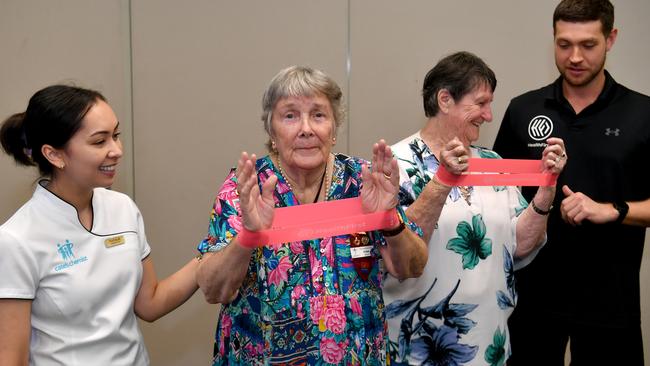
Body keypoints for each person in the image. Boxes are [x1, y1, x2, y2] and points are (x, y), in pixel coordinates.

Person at [195, 65, 428, 365]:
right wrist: (249, 235)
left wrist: (388, 220)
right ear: (271, 130)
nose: (306, 128)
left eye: (318, 115)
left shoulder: (362, 180)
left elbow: (412, 266)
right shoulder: (247, 187)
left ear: (333, 129)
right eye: (290, 115)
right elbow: (214, 289)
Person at [382, 51, 567, 366]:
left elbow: (521, 244)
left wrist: (547, 185)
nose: (489, 115)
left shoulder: (493, 164)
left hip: (489, 343)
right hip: (420, 346)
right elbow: (394, 255)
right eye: (480, 103)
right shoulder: (395, 165)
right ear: (445, 100)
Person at [494, 1, 650, 364]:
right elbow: (497, 199)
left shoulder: (643, 114)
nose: (575, 57)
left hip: (611, 305)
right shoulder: (523, 110)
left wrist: (612, 210)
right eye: (564, 44)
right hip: (531, 301)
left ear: (610, 39)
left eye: (588, 45)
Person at [0, 85, 200, 365]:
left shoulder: (122, 208)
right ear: (54, 155)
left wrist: (215, 255)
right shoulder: (17, 239)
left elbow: (150, 303)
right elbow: (12, 358)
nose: (117, 150)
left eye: (116, 136)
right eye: (99, 141)